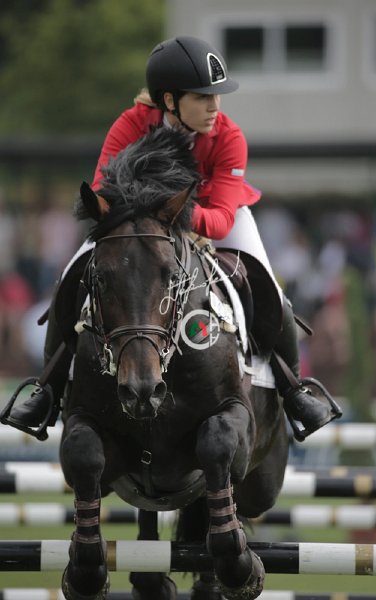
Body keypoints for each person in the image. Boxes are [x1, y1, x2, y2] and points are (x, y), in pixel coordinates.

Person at [7, 35, 340, 440]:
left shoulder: (229, 137)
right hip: (140, 221)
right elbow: (100, 192)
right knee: (72, 276)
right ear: (169, 100)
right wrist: (149, 212)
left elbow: (220, 220)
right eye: (202, 97)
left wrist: (168, 209)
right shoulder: (132, 124)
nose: (215, 107)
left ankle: (293, 390)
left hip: (215, 215)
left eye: (216, 96)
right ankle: (47, 390)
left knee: (270, 287)